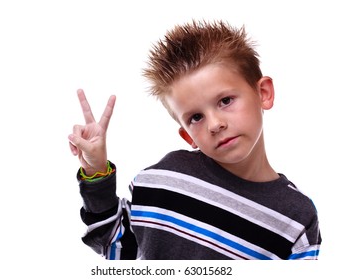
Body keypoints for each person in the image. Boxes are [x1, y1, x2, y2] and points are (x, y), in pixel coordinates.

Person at [68, 20, 322, 260]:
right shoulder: (163, 181)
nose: (215, 124)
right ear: (188, 135)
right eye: (196, 117)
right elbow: (121, 252)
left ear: (263, 93)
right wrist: (95, 171)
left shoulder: (297, 218)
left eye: (226, 101)